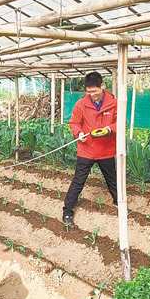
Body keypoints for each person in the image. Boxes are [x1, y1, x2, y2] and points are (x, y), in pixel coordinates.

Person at [63, 72, 118, 225]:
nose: (91, 95)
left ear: (103, 87)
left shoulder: (114, 103)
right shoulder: (81, 104)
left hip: (106, 150)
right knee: (78, 181)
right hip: (86, 149)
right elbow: (74, 123)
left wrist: (109, 129)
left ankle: (118, 202)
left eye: (94, 91)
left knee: (112, 179)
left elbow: (119, 122)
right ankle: (67, 210)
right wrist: (79, 133)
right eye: (88, 92)